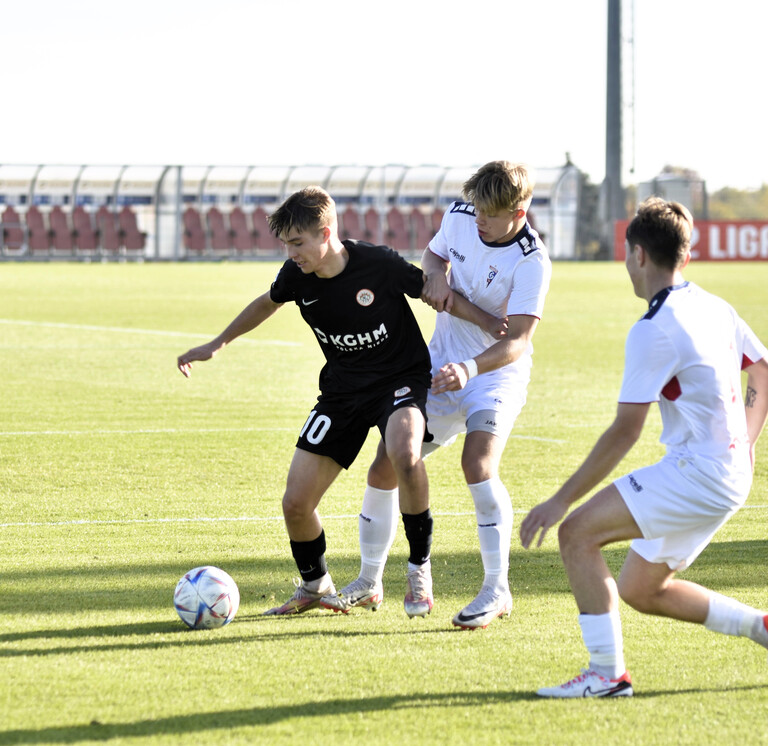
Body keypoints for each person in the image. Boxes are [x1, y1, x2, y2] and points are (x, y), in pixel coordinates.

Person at [177, 186, 501, 616]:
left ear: (325, 233)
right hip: (342, 391)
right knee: (295, 503)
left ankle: (419, 568)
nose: (291, 253)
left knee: (404, 453)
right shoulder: (297, 276)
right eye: (286, 245)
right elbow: (267, 302)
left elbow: (435, 293)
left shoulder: (378, 263)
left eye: (298, 243)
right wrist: (218, 343)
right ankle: (315, 586)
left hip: (398, 381)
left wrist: (492, 323)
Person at [520, 197, 768, 698]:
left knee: (576, 534)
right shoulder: (714, 305)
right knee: (639, 588)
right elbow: (762, 370)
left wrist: (560, 500)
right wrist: (746, 442)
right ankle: (761, 627)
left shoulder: (654, 329)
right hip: (725, 473)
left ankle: (606, 675)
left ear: (638, 255)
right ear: (685, 255)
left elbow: (624, 431)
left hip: (699, 474)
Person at [322, 161, 550, 628]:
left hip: (492, 375)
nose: (479, 219)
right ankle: (368, 581)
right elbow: (432, 258)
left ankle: (496, 588)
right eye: (477, 209)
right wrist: (437, 273)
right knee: (388, 464)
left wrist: (470, 368)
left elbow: (518, 341)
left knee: (477, 463)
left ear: (520, 212)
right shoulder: (462, 214)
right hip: (440, 365)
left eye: (491, 212)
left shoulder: (531, 261)